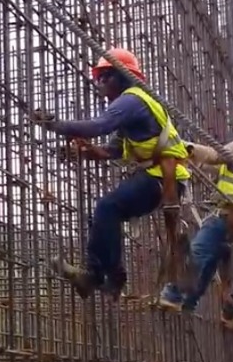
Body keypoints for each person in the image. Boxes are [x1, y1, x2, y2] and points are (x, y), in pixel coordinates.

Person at [34, 48, 190, 299]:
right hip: (158, 176)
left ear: (123, 77)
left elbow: (98, 126)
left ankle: (110, 276)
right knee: (102, 216)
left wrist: (55, 125)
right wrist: (84, 153)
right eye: (98, 78)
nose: (100, 83)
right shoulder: (135, 106)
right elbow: (111, 151)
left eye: (106, 77)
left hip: (165, 178)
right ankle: (95, 275)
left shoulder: (131, 100)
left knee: (108, 207)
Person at [158, 108, 233, 319]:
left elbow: (213, 155)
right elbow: (215, 166)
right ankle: (190, 303)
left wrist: (178, 146)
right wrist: (189, 158)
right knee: (210, 262)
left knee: (197, 253)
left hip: (229, 215)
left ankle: (173, 295)